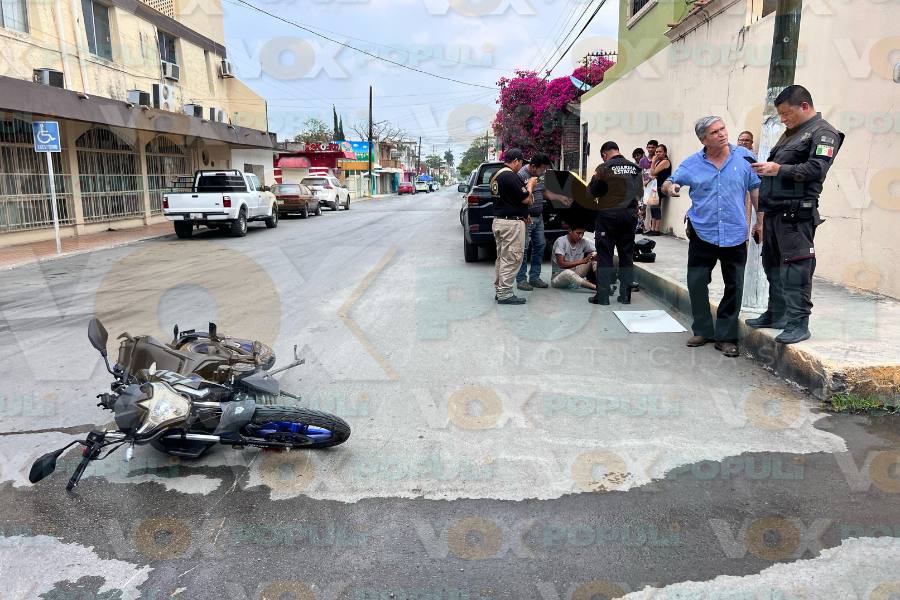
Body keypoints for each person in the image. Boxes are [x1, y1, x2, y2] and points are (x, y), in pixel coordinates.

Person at [747, 85, 843, 343]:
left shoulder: (824, 133)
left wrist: (778, 170)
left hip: (796, 216)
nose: (782, 119)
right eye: (779, 115)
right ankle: (776, 313)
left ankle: (799, 323)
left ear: (804, 106)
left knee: (796, 269)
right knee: (773, 266)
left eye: (785, 113)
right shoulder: (791, 133)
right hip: (776, 213)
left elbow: (816, 168)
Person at [662, 116, 760, 357]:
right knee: (696, 282)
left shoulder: (745, 158)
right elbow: (669, 182)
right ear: (703, 139)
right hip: (702, 232)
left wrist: (761, 222)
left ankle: (726, 337)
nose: (722, 134)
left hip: (735, 233)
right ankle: (703, 329)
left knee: (734, 286)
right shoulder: (692, 164)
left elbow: (756, 189)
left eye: (723, 128)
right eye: (715, 132)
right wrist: (671, 188)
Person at [587, 141, 643, 305]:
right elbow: (640, 193)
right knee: (626, 255)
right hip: (629, 216)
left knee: (605, 255)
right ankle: (625, 296)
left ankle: (603, 297)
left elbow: (591, 193)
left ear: (605, 155)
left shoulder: (603, 168)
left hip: (608, 216)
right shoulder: (635, 168)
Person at [492, 148, 536, 305]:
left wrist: (524, 214)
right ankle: (504, 293)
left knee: (502, 258)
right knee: (512, 258)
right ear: (516, 160)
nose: (521, 166)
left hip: (499, 221)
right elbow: (526, 199)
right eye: (521, 162)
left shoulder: (496, 175)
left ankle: (500, 289)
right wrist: (530, 184)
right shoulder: (511, 176)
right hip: (511, 224)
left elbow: (510, 199)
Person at [516, 153, 552, 291]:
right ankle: (521, 279)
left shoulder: (540, 176)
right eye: (542, 169)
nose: (543, 171)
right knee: (523, 249)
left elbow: (542, 192)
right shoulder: (520, 175)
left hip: (539, 217)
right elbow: (519, 198)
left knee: (540, 246)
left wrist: (559, 198)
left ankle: (535, 277)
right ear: (532, 166)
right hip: (526, 218)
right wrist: (524, 213)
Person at [646, 144, 671, 236]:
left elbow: (653, 172)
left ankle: (656, 230)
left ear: (665, 152)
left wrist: (653, 162)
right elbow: (651, 174)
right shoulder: (659, 161)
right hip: (655, 187)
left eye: (660, 152)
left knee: (656, 208)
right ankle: (652, 228)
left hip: (660, 187)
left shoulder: (664, 162)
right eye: (656, 152)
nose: (657, 153)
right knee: (653, 207)